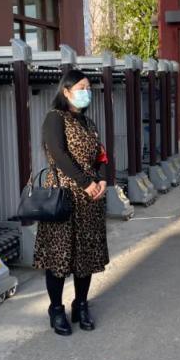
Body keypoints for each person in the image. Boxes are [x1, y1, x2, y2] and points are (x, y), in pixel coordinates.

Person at [35, 69, 109, 336]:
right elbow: (59, 154)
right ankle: (56, 309)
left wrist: (102, 180)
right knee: (59, 255)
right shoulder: (55, 118)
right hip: (63, 195)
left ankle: (81, 305)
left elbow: (101, 155)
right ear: (66, 91)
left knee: (86, 255)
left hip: (90, 198)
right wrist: (85, 182)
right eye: (81, 88)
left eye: (88, 88)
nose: (86, 92)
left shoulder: (89, 122)